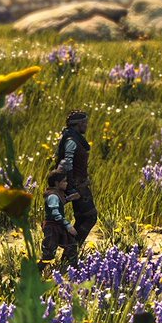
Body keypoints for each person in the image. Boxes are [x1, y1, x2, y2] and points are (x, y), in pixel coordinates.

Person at [55, 109, 97, 246]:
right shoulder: (72, 141)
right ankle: (71, 246)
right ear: (78, 124)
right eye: (84, 122)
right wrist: (72, 188)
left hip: (80, 184)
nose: (86, 125)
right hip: (78, 186)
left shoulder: (74, 138)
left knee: (82, 218)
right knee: (89, 217)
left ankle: (70, 249)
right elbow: (67, 164)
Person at [40, 169, 78, 270]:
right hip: (52, 227)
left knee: (71, 245)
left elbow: (58, 205)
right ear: (57, 183)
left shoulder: (56, 194)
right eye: (64, 181)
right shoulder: (52, 195)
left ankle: (72, 269)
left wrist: (69, 199)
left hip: (57, 226)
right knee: (48, 253)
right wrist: (68, 226)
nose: (66, 183)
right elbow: (55, 212)